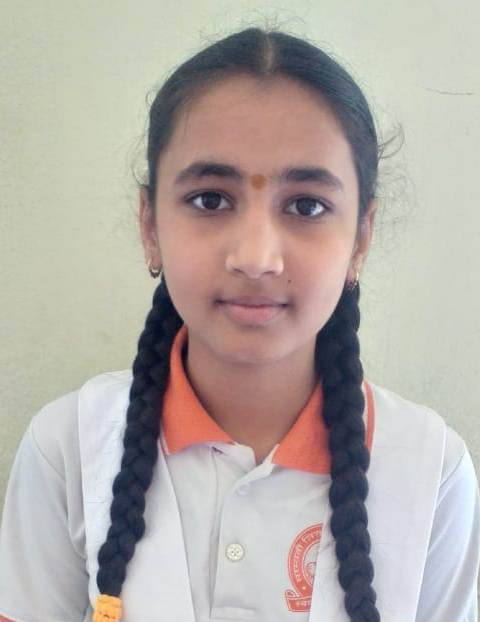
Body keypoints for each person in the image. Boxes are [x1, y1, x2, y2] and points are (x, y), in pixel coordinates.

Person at [0, 26, 479, 622]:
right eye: (210, 199)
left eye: (306, 205)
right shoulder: (66, 448)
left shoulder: (432, 470)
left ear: (361, 238)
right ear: (149, 224)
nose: (256, 257)